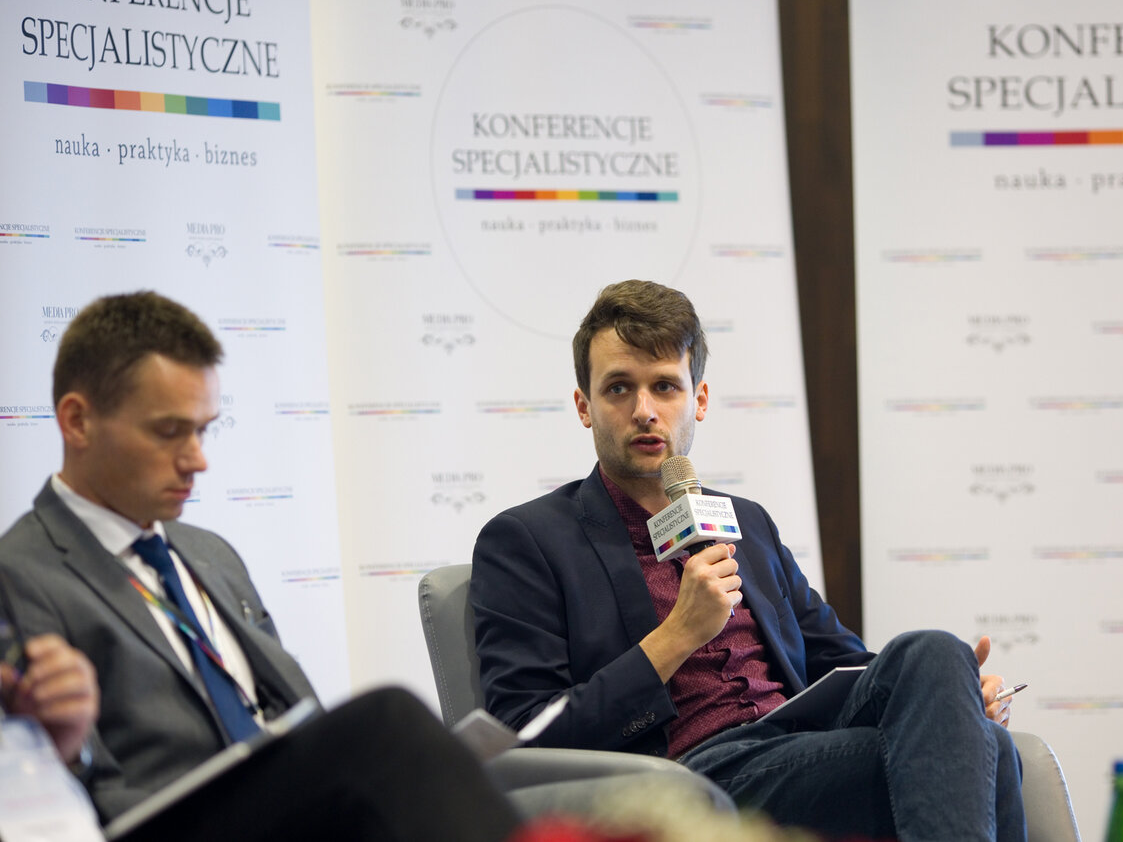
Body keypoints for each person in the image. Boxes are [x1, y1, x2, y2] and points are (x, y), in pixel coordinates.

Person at [471, 279, 1027, 841]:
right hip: (697, 775)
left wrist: (953, 697)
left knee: (937, 652)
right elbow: (524, 734)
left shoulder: (747, 521)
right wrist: (677, 635)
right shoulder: (528, 540)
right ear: (584, 407)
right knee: (993, 754)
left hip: (800, 739)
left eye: (664, 386)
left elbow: (843, 661)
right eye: (619, 388)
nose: (644, 411)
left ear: (699, 400)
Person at [0, 290, 522, 842]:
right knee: (387, 722)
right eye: (169, 432)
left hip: (289, 809)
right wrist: (67, 747)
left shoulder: (210, 554)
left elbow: (296, 714)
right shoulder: (20, 573)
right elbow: (58, 790)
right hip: (166, 823)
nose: (198, 459)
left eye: (203, 429)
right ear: (78, 421)